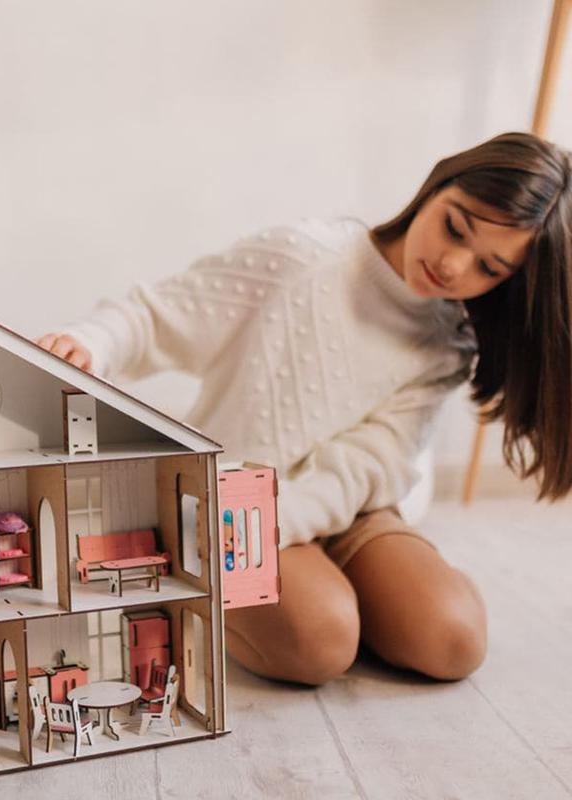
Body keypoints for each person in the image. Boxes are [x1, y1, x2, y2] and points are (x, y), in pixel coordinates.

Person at [38, 132, 572, 684]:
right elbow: (154, 316)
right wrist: (90, 342)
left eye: (489, 268)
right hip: (229, 503)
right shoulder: (303, 258)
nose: (454, 265)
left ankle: (336, 595)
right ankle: (256, 588)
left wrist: (284, 519)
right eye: (455, 227)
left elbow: (373, 463)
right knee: (320, 641)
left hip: (342, 507)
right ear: (436, 186)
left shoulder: (448, 343)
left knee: (454, 639)